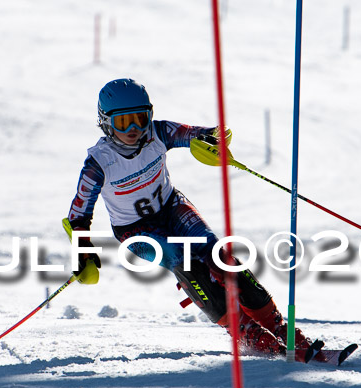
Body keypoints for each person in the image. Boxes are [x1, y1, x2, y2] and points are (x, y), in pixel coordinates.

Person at [64, 78, 317, 362]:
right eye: (123, 123)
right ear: (106, 123)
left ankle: (280, 328)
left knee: (219, 256)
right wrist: (81, 248)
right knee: (184, 261)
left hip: (172, 206)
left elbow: (192, 134)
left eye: (140, 119)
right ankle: (245, 332)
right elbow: (79, 213)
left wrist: (211, 138)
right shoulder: (99, 163)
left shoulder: (158, 132)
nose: (134, 129)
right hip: (134, 230)